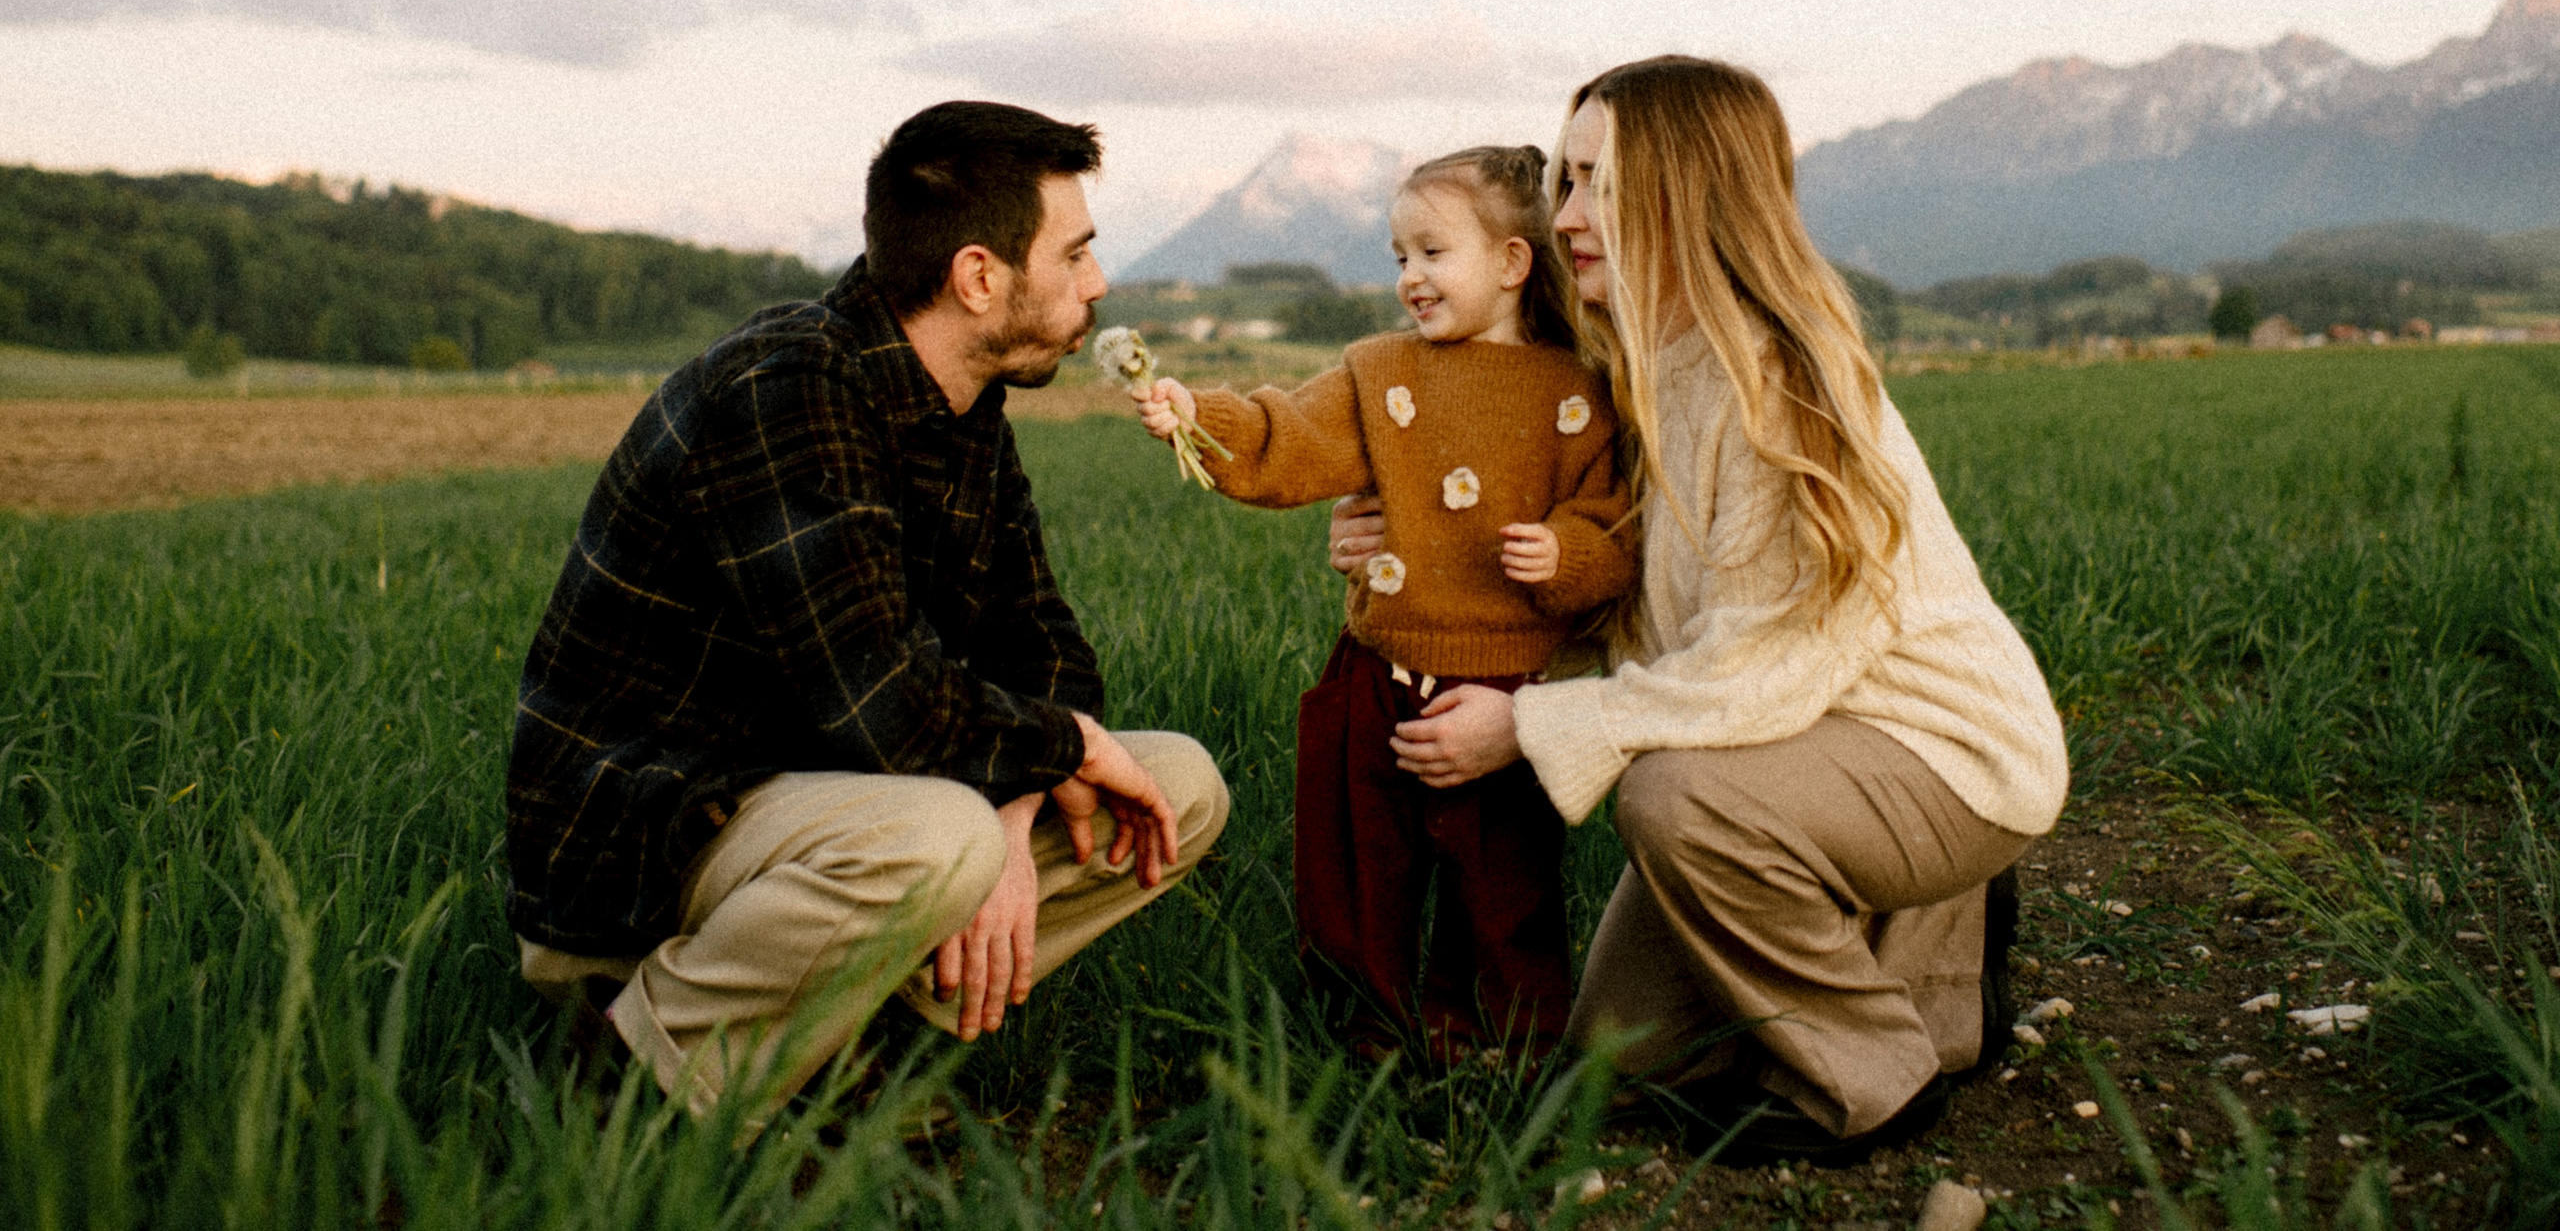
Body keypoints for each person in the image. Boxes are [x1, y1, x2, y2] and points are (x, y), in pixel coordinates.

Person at [1333, 61, 2068, 1161]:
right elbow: (1608, 572)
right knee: (1621, 1063)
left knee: (1676, 801)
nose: (1565, 214)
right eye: (1565, 181)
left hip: (1940, 750)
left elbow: (1758, 663)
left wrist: (1526, 727)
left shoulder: (1780, 386)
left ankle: (1879, 1078)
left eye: (1597, 184)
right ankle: (1937, 969)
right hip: (1798, 737)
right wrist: (1405, 555)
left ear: (1687, 193)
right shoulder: (1638, 363)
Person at [505, 101, 1231, 1123]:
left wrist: (1020, 814)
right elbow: (885, 705)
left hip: (822, 809)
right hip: (650, 842)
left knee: (1175, 785)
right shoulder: (789, 387)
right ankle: (633, 1071)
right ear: (979, 276)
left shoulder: (965, 404)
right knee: (945, 833)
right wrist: (1047, 755)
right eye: (1075, 253)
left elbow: (1046, 643)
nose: (1098, 285)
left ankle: (826, 1038)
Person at [1133, 147, 1636, 1056]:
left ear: (1514, 263)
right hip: (1378, 672)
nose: (1409, 277)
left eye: (1433, 253)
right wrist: (1198, 414)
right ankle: (1363, 1039)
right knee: (1358, 870)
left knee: (1503, 886)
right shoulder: (1380, 374)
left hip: (1507, 692)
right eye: (1399, 255)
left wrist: (1567, 553)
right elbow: (1289, 431)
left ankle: (1503, 1041)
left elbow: (1615, 530)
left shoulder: (1579, 390)